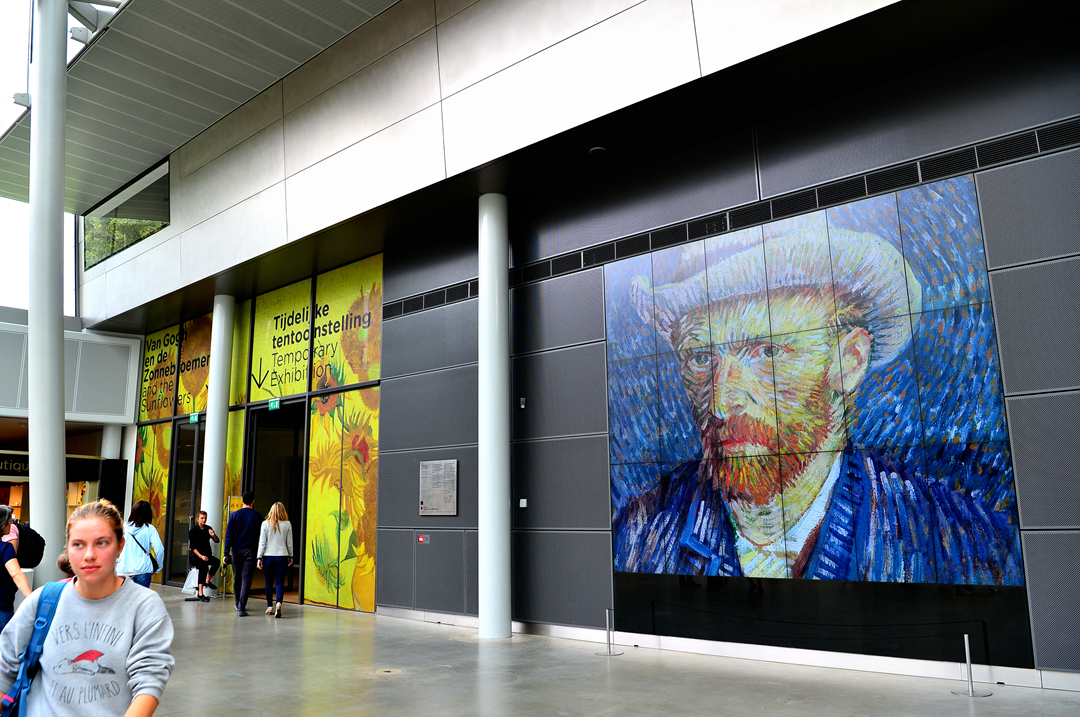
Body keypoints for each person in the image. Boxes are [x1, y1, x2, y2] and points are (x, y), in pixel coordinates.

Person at [613, 226, 1022, 584]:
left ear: (850, 361)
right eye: (701, 358)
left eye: (768, 352)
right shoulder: (636, 536)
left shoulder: (963, 544)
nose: (721, 402)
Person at [0, 499, 174, 716]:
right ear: (68, 549)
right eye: (78, 544)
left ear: (120, 546)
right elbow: (4, 670)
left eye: (102, 543)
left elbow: (148, 682)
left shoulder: (143, 606)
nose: (89, 554)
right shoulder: (42, 601)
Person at [222, 491, 261, 616]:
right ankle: (241, 607)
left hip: (236, 551)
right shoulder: (257, 516)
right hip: (251, 551)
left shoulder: (234, 516)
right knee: (247, 579)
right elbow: (261, 537)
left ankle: (237, 602)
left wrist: (226, 553)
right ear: (253, 501)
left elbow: (229, 536)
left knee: (237, 578)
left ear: (242, 501)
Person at [116, 500, 165, 588]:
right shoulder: (150, 529)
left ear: (133, 512)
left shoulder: (122, 528)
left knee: (124, 596)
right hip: (143, 570)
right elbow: (159, 549)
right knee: (141, 596)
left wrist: (117, 562)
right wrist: (158, 567)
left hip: (123, 569)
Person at [256, 502, 293, 618]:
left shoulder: (265, 524)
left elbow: (262, 542)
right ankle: (278, 603)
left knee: (268, 582)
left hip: (268, 556)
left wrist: (259, 557)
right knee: (279, 582)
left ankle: (269, 607)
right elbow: (289, 542)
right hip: (282, 556)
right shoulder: (287, 524)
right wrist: (291, 555)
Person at [0, 506, 31, 633]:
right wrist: (31, 598)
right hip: (2, 607)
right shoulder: (5, 548)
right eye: (9, 520)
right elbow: (16, 573)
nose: (11, 523)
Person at [187, 511, 220, 602]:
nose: (204, 520)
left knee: (216, 562)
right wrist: (201, 557)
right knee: (204, 566)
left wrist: (213, 535)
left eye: (205, 518)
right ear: (197, 519)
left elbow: (217, 540)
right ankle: (200, 593)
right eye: (202, 518)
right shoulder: (193, 531)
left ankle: (207, 581)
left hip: (207, 555)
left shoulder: (208, 528)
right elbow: (193, 547)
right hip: (195, 556)